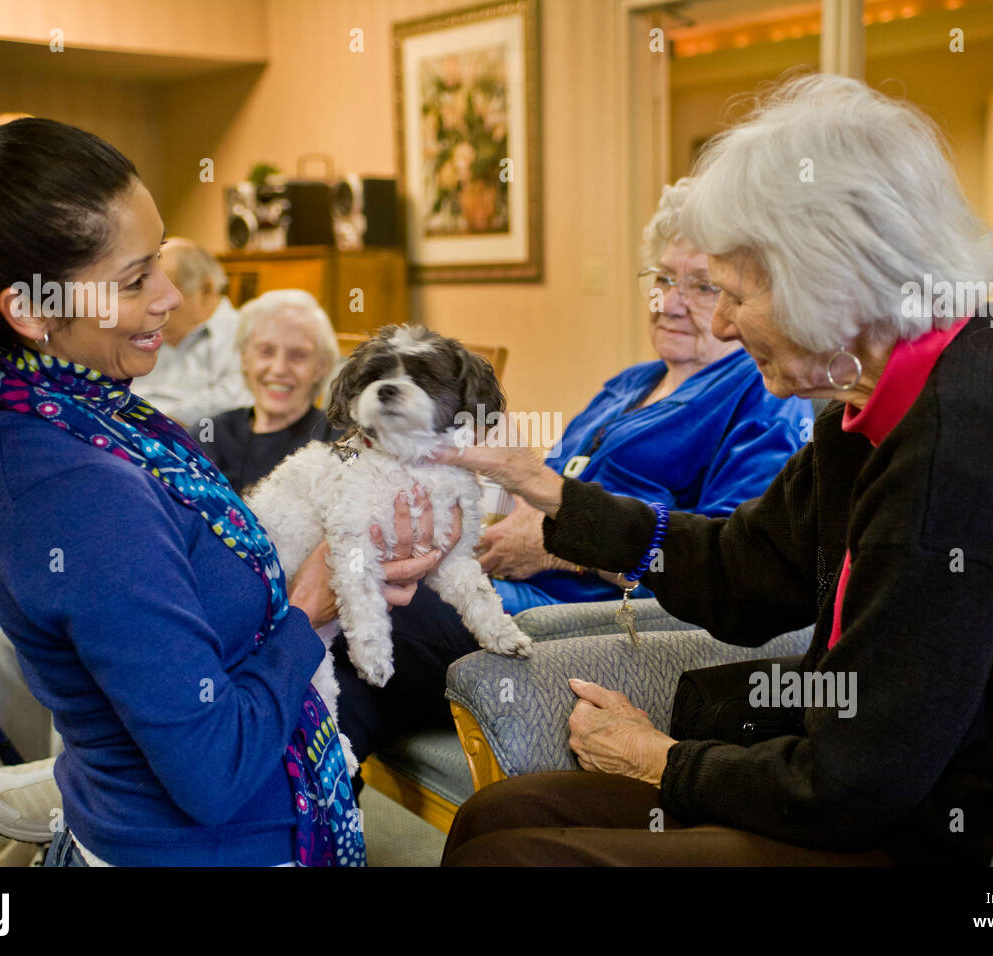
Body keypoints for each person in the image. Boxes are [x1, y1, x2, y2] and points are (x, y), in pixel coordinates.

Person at [434, 74, 993, 866]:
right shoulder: (874, 393)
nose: (717, 322)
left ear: (828, 280)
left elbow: (858, 780)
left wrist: (661, 760)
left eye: (735, 294)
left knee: (514, 859)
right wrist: (561, 498)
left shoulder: (965, 442)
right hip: (874, 779)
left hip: (958, 822)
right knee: (500, 816)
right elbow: (750, 572)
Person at [0, 107, 458, 866]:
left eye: (162, 259)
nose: (172, 296)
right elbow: (214, 773)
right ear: (33, 310)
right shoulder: (80, 492)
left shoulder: (69, 405)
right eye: (136, 278)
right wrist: (310, 609)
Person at [332, 179, 812, 764]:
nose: (670, 302)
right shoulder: (629, 383)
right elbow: (543, 485)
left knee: (378, 605)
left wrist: (560, 550)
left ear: (741, 294)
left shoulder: (760, 395)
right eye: (662, 279)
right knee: (348, 630)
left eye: (703, 286)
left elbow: (727, 556)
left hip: (578, 623)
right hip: (506, 586)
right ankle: (312, 813)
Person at [191, 289, 339, 493]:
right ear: (244, 358)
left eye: (298, 355)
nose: (279, 369)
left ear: (321, 367)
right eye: (266, 351)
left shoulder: (340, 440)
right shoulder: (209, 435)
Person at [132, 237, 252, 427]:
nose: (150, 305)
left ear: (206, 290)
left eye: (162, 294)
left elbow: (238, 400)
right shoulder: (140, 332)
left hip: (188, 441)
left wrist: (158, 423)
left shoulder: (243, 333)